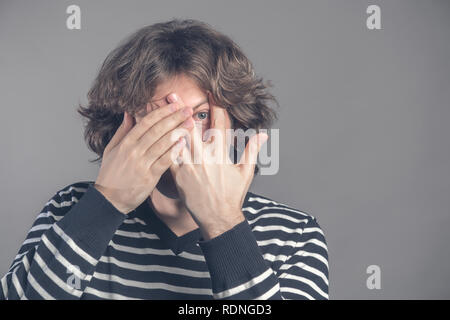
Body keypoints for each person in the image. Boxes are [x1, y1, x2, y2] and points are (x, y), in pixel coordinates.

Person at [0, 19, 329, 300]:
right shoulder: (70, 209)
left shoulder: (294, 235)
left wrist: (222, 223)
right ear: (123, 127)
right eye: (158, 117)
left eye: (200, 115)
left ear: (236, 123)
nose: (179, 137)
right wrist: (107, 202)